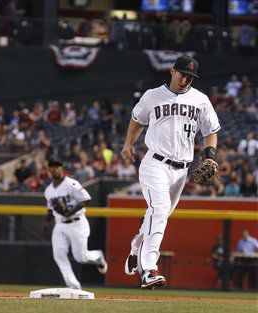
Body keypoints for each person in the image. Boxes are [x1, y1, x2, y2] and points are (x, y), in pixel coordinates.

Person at [121, 55, 220, 289]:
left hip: (181, 170)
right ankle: (149, 270)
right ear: (172, 71)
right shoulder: (152, 96)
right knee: (160, 209)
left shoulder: (201, 100)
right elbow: (137, 121)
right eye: (183, 74)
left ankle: (137, 245)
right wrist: (128, 144)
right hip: (155, 163)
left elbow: (210, 131)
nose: (186, 79)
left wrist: (211, 157)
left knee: (159, 214)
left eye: (191, 77)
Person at [42, 160, 107, 290]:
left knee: (80, 257)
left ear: (61, 169)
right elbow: (50, 209)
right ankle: (73, 284)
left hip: (77, 222)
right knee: (58, 255)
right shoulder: (48, 191)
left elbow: (85, 199)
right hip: (60, 225)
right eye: (52, 168)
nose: (55, 170)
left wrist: (71, 211)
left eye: (57, 167)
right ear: (48, 171)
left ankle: (98, 257)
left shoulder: (71, 183)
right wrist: (46, 221)